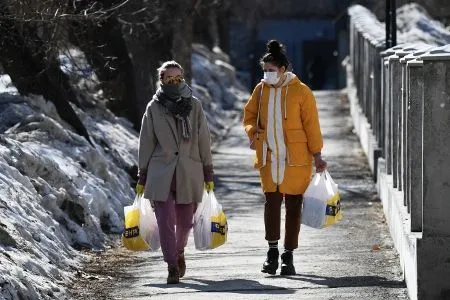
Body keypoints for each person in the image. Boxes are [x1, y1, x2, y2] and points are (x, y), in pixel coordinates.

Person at [243, 40, 327, 276]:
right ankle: (271, 252)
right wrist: (253, 132)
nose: (267, 75)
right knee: (271, 204)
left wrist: (318, 155)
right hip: (268, 158)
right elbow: (249, 117)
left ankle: (288, 255)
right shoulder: (260, 91)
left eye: (271, 70)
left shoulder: (301, 92)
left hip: (296, 159)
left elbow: (312, 126)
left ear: (282, 69)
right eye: (265, 70)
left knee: (292, 207)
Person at [136, 60, 214, 284]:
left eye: (178, 77)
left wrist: (208, 171)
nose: (174, 81)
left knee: (186, 221)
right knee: (165, 221)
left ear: (183, 78)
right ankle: (171, 264)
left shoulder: (194, 105)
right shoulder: (154, 107)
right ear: (162, 80)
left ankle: (179, 251)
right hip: (161, 172)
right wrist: (143, 174)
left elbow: (203, 138)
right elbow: (146, 142)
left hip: (189, 170)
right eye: (169, 78)